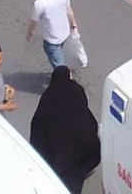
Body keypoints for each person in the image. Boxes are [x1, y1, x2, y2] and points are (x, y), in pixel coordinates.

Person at [26, 66, 100, 194]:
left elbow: (38, 124)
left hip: (52, 156)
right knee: (73, 184)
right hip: (75, 155)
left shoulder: (48, 95)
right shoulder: (76, 90)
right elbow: (85, 114)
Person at [26, 0, 76, 71]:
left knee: (59, 67)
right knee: (59, 53)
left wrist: (29, 33)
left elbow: (33, 22)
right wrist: (73, 23)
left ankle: (65, 79)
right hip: (64, 33)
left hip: (51, 39)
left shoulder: (39, 3)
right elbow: (69, 10)